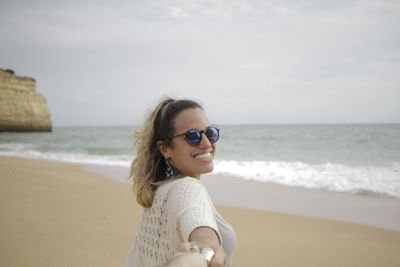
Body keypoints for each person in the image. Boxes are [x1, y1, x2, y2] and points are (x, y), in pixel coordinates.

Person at [126, 98, 236, 267]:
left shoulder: (159, 193)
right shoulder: (188, 188)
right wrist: (204, 250)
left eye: (210, 133)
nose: (207, 143)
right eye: (193, 136)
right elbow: (198, 224)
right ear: (165, 149)